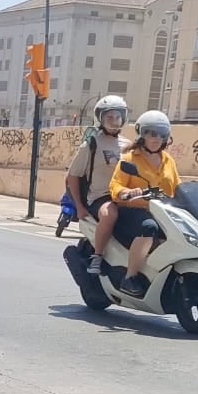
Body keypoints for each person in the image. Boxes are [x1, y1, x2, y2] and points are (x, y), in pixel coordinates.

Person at [109, 110, 181, 297]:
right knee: (149, 227)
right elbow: (115, 185)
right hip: (134, 209)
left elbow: (177, 187)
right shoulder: (130, 159)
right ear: (142, 134)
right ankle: (130, 277)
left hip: (162, 211)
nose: (156, 138)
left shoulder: (168, 161)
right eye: (151, 133)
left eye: (161, 134)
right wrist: (127, 192)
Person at [65, 95, 130, 275]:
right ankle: (97, 256)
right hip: (100, 197)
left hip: (125, 195)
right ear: (100, 118)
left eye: (118, 116)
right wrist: (79, 206)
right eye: (109, 117)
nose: (114, 121)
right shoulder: (91, 144)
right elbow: (73, 176)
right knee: (109, 214)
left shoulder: (128, 145)